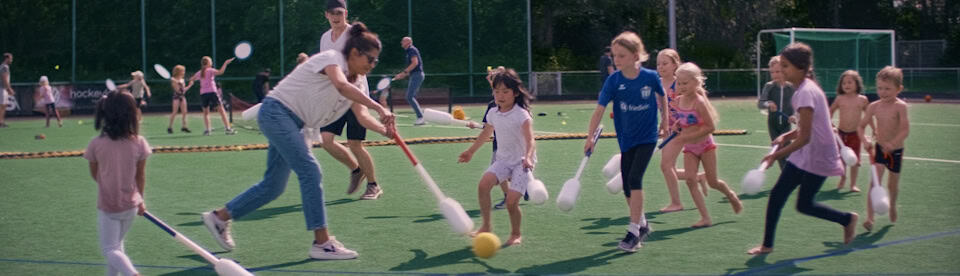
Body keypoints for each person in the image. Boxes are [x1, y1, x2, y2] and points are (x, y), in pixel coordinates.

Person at [200, 22, 394, 260]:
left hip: (294, 124)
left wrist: (385, 129)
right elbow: (341, 86)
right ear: (355, 53)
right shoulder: (332, 58)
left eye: (376, 61)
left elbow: (362, 116)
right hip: (277, 113)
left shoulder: (356, 81)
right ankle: (321, 243)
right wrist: (377, 105)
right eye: (371, 59)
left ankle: (219, 218)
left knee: (273, 186)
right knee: (311, 171)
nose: (373, 65)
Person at [747, 42, 858, 255]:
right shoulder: (802, 89)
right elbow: (805, 128)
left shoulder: (805, 93)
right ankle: (767, 245)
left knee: (804, 205)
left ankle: (847, 219)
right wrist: (786, 135)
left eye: (786, 66)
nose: (782, 71)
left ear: (800, 68)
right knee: (778, 195)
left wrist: (775, 156)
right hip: (805, 153)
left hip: (818, 155)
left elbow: (806, 136)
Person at [586, 31, 662, 253]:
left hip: (648, 137)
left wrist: (665, 121)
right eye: (615, 57)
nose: (617, 60)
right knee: (627, 185)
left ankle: (633, 231)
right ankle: (643, 223)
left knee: (635, 178)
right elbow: (599, 109)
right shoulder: (613, 81)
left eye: (621, 56)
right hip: (626, 138)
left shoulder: (650, 77)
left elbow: (662, 96)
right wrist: (590, 136)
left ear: (635, 55)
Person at [458, 67, 535, 246]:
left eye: (505, 92)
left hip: (522, 163)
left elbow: (531, 141)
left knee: (511, 202)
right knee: (483, 186)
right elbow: (486, 133)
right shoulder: (493, 112)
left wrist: (528, 157)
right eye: (496, 91)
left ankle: (516, 233)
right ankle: (486, 226)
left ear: (515, 93)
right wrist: (470, 151)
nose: (500, 95)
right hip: (503, 160)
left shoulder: (522, 114)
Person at [315, 0, 384, 199]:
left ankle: (373, 185)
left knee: (355, 143)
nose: (335, 16)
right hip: (335, 96)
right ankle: (356, 169)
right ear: (326, 15)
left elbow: (368, 58)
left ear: (346, 12)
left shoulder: (355, 34)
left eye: (339, 12)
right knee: (326, 141)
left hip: (356, 95)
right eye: (331, 12)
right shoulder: (325, 38)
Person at [84, 91, 151, 276]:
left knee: (109, 250)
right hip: (131, 204)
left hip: (108, 206)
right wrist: (141, 200)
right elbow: (141, 176)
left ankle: (132, 274)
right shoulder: (139, 143)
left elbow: (95, 174)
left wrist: (108, 184)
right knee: (117, 246)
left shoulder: (96, 144)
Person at [672, 62, 742, 227]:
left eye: (685, 83)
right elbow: (683, 120)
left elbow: (710, 127)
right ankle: (705, 217)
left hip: (705, 146)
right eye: (679, 83)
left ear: (696, 82)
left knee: (713, 182)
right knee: (690, 180)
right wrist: (677, 126)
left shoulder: (699, 102)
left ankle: (730, 194)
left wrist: (684, 137)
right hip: (690, 148)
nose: (681, 86)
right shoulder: (679, 101)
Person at [858, 66, 909, 231]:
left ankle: (892, 205)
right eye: (880, 88)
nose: (883, 92)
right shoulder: (874, 106)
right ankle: (870, 219)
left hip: (895, 151)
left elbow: (904, 130)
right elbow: (861, 126)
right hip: (879, 150)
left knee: (892, 185)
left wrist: (893, 144)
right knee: (875, 184)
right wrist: (864, 139)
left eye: (888, 88)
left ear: (898, 89)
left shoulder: (900, 107)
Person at [656, 48, 707, 213]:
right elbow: (662, 109)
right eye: (658, 64)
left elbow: (700, 100)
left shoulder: (680, 84)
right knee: (668, 168)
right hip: (669, 129)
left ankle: (676, 203)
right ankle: (698, 177)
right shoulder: (657, 82)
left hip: (682, 129)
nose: (661, 67)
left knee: (666, 165)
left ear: (675, 65)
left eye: (665, 63)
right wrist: (662, 124)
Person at [830, 70, 869, 192]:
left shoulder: (862, 99)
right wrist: (830, 125)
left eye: (850, 82)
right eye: (844, 83)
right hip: (841, 134)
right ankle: (842, 178)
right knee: (842, 159)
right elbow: (829, 112)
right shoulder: (839, 99)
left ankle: (853, 184)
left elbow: (868, 115)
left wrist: (874, 129)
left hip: (856, 135)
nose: (846, 85)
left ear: (857, 84)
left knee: (855, 160)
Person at [758, 56, 796, 168]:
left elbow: (797, 105)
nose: (775, 75)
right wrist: (768, 104)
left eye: (778, 71)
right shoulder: (769, 86)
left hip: (787, 124)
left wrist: (794, 116)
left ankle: (790, 173)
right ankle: (785, 175)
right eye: (772, 72)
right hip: (772, 124)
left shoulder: (792, 87)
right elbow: (760, 104)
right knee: (777, 149)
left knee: (786, 149)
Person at [190, 56, 236, 135]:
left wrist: (191, 82)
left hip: (203, 94)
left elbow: (192, 79)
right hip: (212, 93)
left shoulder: (199, 72)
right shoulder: (210, 70)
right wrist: (226, 63)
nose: (212, 63)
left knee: (206, 113)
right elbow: (221, 72)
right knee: (221, 111)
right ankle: (228, 129)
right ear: (208, 63)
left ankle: (208, 130)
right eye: (211, 61)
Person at [393, 36, 425, 125]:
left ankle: (421, 117)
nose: (401, 43)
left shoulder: (412, 50)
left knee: (409, 96)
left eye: (403, 41)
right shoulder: (408, 51)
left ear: (408, 42)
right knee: (410, 96)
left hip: (417, 75)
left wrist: (404, 72)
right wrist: (401, 75)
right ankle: (421, 116)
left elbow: (415, 63)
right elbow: (411, 68)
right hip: (415, 75)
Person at [167, 65, 194, 134]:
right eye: (183, 71)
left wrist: (190, 85)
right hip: (176, 97)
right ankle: (170, 127)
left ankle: (184, 127)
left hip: (182, 97)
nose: (184, 72)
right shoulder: (173, 79)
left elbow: (183, 90)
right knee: (175, 112)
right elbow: (177, 90)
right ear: (179, 71)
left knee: (184, 112)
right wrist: (177, 83)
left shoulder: (182, 80)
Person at [1, 53, 14, 128]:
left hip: (4, 88)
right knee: (2, 105)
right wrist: (9, 89)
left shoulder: (5, 66)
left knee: (4, 105)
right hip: (2, 88)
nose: (11, 60)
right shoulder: (4, 67)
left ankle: (1, 121)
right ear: (6, 58)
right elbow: (4, 78)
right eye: (10, 58)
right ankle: (0, 122)